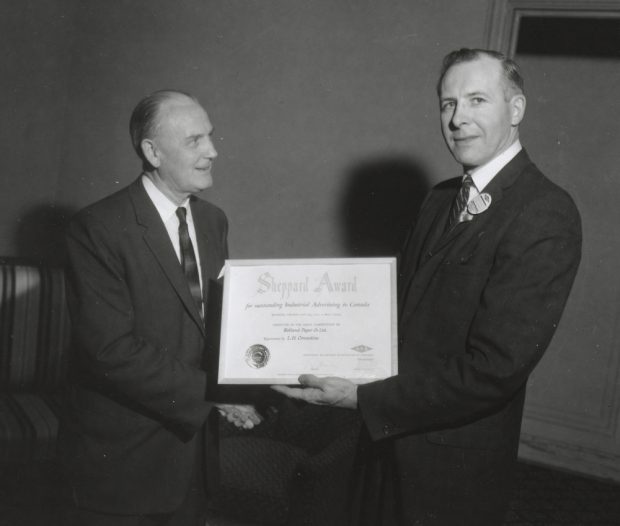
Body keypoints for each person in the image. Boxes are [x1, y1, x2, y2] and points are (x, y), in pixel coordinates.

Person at [274, 48, 582, 525]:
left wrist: (361, 397)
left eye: (477, 100)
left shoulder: (545, 211)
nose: (458, 119)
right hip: (382, 447)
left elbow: (494, 370)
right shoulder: (439, 200)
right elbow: (393, 317)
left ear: (516, 109)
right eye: (447, 103)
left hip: (451, 468)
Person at [61, 90, 261, 526]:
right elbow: (109, 351)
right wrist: (216, 395)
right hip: (124, 463)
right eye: (195, 141)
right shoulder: (97, 229)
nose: (212, 151)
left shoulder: (213, 221)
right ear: (152, 151)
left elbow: (215, 324)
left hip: (193, 458)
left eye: (210, 136)